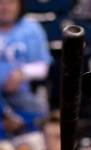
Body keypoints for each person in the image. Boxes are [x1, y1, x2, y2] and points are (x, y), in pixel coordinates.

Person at [0, 0, 52, 138]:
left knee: (38, 113)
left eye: (10, 3)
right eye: (1, 3)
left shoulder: (31, 28)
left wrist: (22, 73)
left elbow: (43, 67)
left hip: (21, 94)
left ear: (19, 5)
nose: (5, 8)